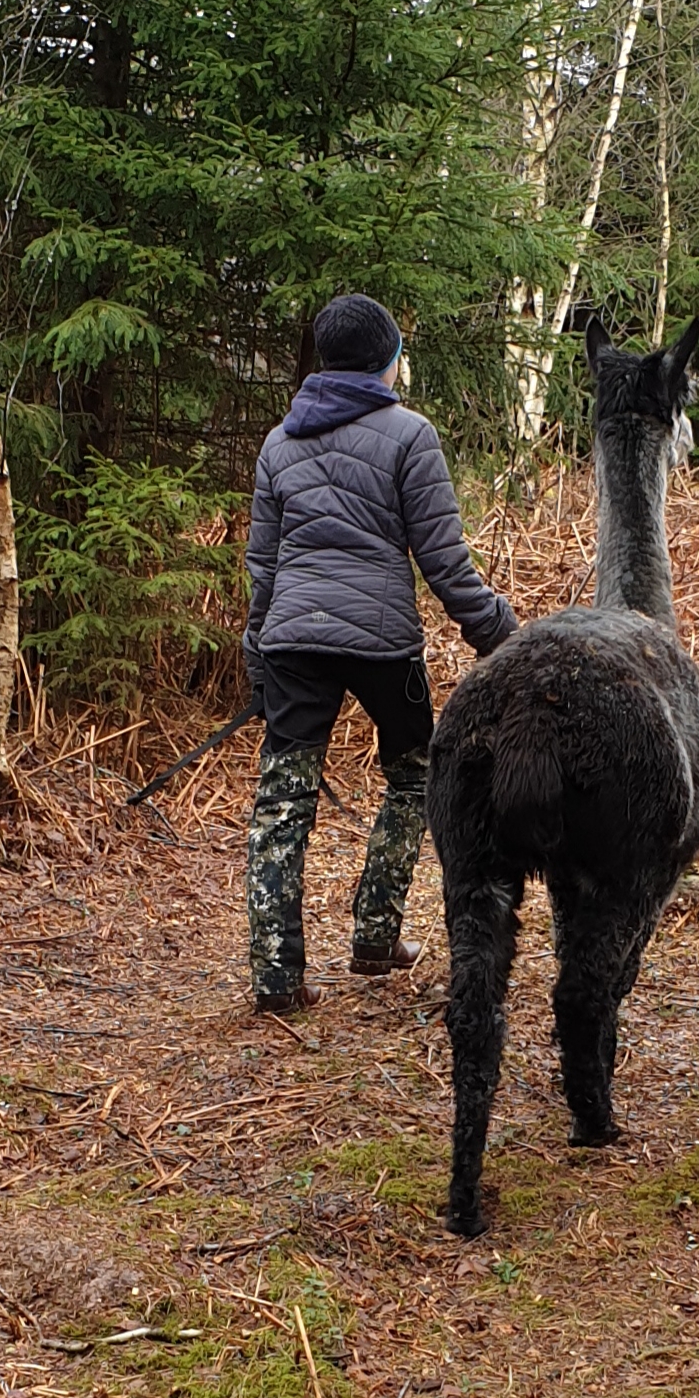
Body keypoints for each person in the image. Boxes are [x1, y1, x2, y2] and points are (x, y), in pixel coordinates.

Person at [242, 294, 517, 1013]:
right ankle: (373, 936)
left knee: (281, 801)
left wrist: (256, 654)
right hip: (382, 645)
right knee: (412, 778)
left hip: (292, 643)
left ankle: (275, 976)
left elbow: (262, 567)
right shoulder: (409, 434)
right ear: (386, 359)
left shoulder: (278, 442)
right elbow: (444, 561)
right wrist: (499, 634)